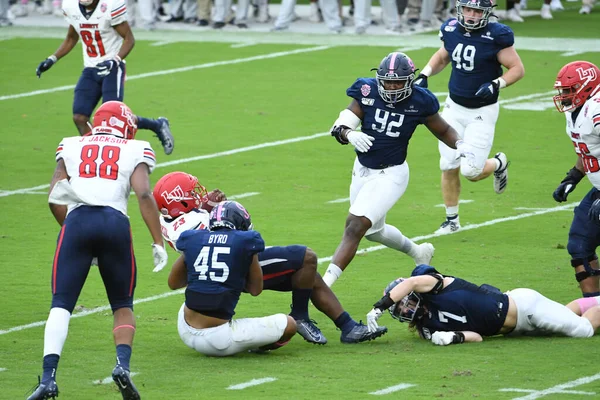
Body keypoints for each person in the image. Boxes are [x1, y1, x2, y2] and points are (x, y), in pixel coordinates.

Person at [27, 101, 169, 400]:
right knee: (122, 304)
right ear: (127, 125)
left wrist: (71, 231)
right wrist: (158, 241)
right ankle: (122, 366)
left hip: (77, 221)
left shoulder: (71, 143)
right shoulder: (136, 148)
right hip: (115, 223)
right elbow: (143, 193)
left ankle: (49, 378)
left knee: (61, 304)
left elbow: (54, 194)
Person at [153, 171, 389, 345]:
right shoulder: (189, 227)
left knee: (306, 275)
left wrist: (207, 208)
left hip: (218, 268)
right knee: (306, 258)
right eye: (192, 193)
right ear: (177, 200)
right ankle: (301, 316)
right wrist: (214, 209)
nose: (199, 194)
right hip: (230, 268)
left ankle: (347, 326)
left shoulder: (171, 221)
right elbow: (222, 236)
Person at [323, 51, 475, 288]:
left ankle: (324, 284)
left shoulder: (420, 100)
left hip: (391, 173)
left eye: (398, 82)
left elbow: (443, 130)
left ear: (410, 81)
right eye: (387, 81)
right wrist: (349, 133)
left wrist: (460, 144)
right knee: (373, 231)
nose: (392, 87)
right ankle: (419, 252)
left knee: (355, 226)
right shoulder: (366, 90)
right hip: (362, 169)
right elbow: (341, 124)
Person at [414, 0, 525, 234]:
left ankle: (498, 163)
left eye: (477, 11)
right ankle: (451, 220)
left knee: (471, 171)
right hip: (454, 107)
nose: (471, 15)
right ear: (460, 9)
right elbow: (443, 56)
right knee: (448, 163)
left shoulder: (497, 35)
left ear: (486, 13)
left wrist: (497, 83)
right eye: (468, 9)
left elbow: (517, 68)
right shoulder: (452, 29)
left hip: (481, 112)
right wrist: (425, 73)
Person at [35, 0, 175, 155]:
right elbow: (71, 37)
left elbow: (129, 39)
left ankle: (156, 125)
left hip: (112, 68)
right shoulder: (71, 7)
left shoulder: (109, 6)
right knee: (80, 117)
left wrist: (114, 60)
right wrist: (52, 59)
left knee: (112, 117)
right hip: (90, 68)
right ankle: (97, 152)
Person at [165, 200, 298, 356]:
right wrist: (249, 255)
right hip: (217, 340)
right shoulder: (246, 242)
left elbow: (173, 283)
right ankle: (257, 346)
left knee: (199, 291)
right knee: (290, 325)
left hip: (184, 327)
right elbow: (255, 290)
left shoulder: (193, 237)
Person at [365, 264, 600, 345]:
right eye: (400, 312)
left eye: (401, 305)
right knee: (564, 317)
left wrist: (380, 306)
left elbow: (412, 281)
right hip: (515, 328)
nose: (404, 311)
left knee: (583, 330)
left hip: (525, 307)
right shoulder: (428, 327)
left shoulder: (438, 285)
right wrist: (453, 338)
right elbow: (477, 337)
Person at [551, 60, 600, 298]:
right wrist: (573, 176)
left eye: (570, 91)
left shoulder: (598, 109)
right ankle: (595, 307)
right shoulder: (576, 111)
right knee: (580, 244)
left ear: (588, 86)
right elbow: (588, 150)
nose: (565, 97)